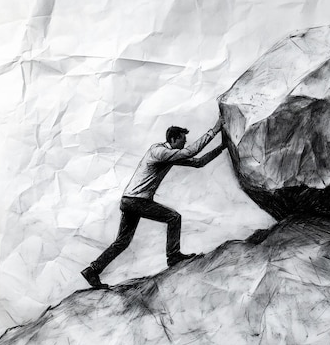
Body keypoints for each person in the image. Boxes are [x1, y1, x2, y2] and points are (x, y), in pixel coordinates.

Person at [81, 117, 226, 288]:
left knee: (122, 242)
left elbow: (198, 162)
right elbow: (189, 153)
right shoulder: (158, 151)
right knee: (174, 217)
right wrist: (214, 130)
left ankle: (92, 270)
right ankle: (173, 256)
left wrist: (222, 147)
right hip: (136, 201)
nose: (184, 143)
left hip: (130, 201)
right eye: (182, 140)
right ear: (173, 139)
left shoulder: (168, 156)